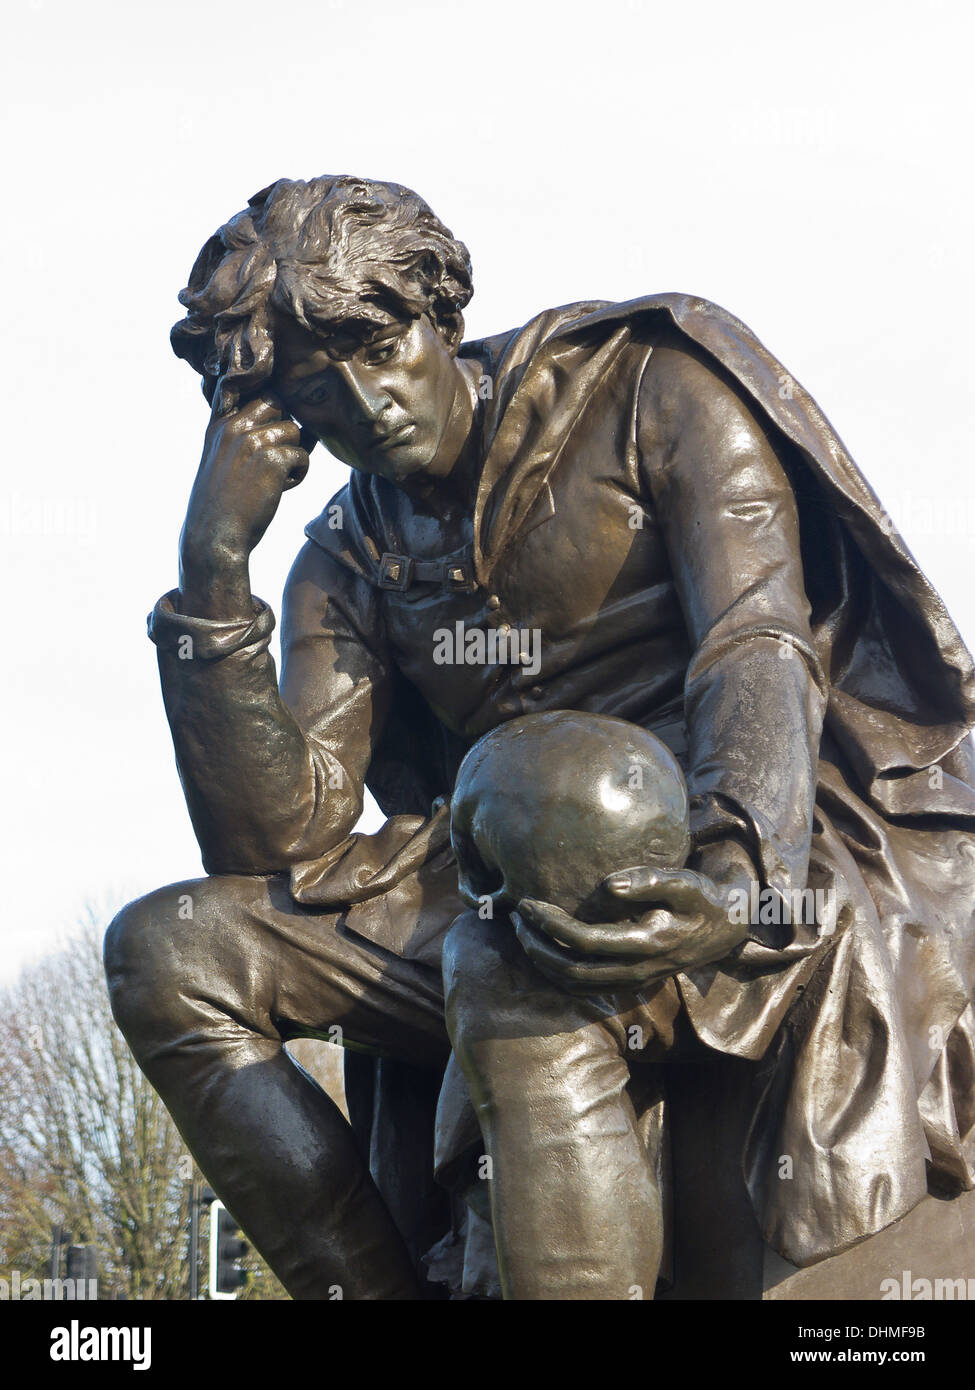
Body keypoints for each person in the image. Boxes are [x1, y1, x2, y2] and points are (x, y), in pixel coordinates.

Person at [104, 175, 975, 1300]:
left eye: (381, 350)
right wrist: (215, 575)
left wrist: (739, 870)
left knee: (525, 898)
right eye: (320, 396)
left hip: (732, 827)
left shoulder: (649, 385)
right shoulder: (344, 558)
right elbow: (279, 844)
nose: (369, 405)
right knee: (168, 951)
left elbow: (756, 641)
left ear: (439, 312)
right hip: (499, 862)